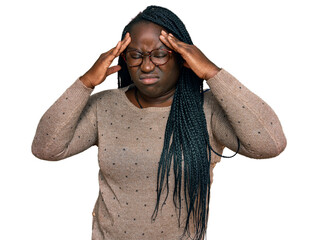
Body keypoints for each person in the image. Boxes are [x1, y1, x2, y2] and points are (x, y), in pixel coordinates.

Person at [31, 5, 287, 240]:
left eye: (160, 54)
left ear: (182, 57)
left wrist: (212, 72)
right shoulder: (104, 106)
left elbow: (269, 144)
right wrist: (85, 82)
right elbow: (47, 148)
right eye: (135, 55)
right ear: (124, 60)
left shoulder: (205, 109)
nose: (146, 65)